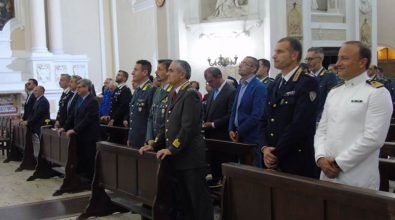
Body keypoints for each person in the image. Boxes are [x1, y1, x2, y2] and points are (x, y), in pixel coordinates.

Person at [139, 60, 214, 220]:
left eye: (172, 71)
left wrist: (172, 149)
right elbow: (166, 127)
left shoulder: (191, 94)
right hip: (179, 157)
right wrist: (153, 145)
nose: (167, 73)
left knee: (197, 200)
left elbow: (187, 128)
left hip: (190, 158)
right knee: (184, 201)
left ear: (182, 74)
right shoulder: (175, 94)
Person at [314, 41, 393, 190]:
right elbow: (322, 129)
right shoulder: (334, 92)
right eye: (338, 58)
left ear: (362, 62)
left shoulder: (377, 93)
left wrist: (338, 163)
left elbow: (373, 138)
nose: (338, 64)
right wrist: (320, 158)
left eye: (344, 58)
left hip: (357, 177)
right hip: (327, 173)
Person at [261, 37, 319, 178]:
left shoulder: (307, 82)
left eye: (280, 52)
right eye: (275, 51)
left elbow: (299, 124)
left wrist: (274, 153)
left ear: (294, 55)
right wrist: (264, 148)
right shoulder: (275, 84)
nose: (274, 56)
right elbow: (264, 120)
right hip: (272, 156)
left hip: (295, 158)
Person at [228, 56, 267, 167]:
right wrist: (231, 128)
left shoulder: (259, 87)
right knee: (242, 169)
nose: (240, 65)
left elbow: (257, 115)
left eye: (244, 63)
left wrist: (239, 131)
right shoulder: (240, 85)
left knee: (253, 170)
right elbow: (234, 110)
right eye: (241, 62)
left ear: (253, 69)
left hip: (251, 136)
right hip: (238, 136)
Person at [59, 79, 100, 180]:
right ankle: (80, 176)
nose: (77, 89)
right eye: (77, 87)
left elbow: (88, 119)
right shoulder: (79, 99)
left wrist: (75, 130)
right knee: (80, 156)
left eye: (80, 87)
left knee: (88, 156)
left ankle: (89, 179)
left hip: (89, 135)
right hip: (80, 134)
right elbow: (72, 116)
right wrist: (64, 127)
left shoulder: (92, 100)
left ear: (87, 88)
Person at [203, 67, 236, 186]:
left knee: (223, 163)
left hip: (222, 135)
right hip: (211, 136)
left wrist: (213, 124)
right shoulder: (212, 91)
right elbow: (208, 111)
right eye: (207, 82)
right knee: (214, 163)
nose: (209, 84)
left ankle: (223, 189)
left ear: (219, 77)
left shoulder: (231, 91)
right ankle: (216, 183)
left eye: (211, 81)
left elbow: (230, 114)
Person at [125, 60, 156, 149]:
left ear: (145, 72)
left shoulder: (151, 90)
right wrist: (130, 138)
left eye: (135, 70)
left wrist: (148, 140)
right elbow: (133, 117)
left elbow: (152, 118)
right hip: (135, 139)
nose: (132, 73)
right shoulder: (138, 90)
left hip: (144, 141)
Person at [305, 47, 338, 120]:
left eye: (310, 59)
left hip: (320, 121)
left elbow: (332, 102)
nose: (307, 62)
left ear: (320, 60)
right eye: (306, 59)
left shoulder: (329, 76)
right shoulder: (305, 77)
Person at [146, 59, 173, 146]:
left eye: (160, 69)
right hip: (153, 141)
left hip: (166, 142)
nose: (156, 72)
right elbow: (151, 117)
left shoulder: (173, 92)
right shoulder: (158, 91)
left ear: (168, 72)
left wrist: (156, 141)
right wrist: (149, 138)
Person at [21, 86, 50, 159]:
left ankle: (39, 159)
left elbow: (38, 115)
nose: (34, 92)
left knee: (39, 144)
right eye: (34, 91)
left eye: (36, 91)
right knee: (35, 143)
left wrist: (28, 122)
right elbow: (32, 113)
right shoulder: (38, 100)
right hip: (35, 125)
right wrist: (26, 121)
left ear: (41, 92)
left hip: (40, 125)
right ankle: (35, 158)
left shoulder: (43, 101)